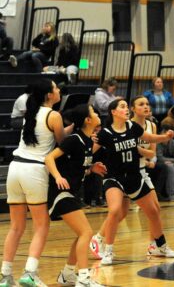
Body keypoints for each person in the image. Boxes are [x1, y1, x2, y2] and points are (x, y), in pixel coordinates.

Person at [89, 99, 174, 265]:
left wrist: (165, 137)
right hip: (114, 177)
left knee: (153, 211)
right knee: (115, 210)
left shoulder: (132, 127)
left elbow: (149, 137)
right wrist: (91, 166)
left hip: (134, 176)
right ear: (113, 112)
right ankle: (108, 251)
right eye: (122, 107)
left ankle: (161, 245)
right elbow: (88, 151)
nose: (125, 109)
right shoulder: (105, 134)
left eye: (125, 105)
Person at [0, 79, 71, 287]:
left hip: (15, 168)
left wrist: (69, 126)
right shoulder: (54, 115)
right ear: (49, 95)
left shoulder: (30, 114)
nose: (58, 90)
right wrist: (72, 128)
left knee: (16, 227)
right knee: (41, 225)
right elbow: (61, 141)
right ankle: (30, 272)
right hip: (34, 170)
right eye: (56, 88)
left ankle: (5, 275)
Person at [45, 104, 106, 287]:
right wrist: (57, 176)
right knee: (86, 232)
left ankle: (67, 275)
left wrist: (91, 169)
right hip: (60, 193)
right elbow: (49, 158)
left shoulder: (87, 141)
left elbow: (78, 168)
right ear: (88, 120)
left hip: (72, 193)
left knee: (82, 234)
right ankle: (84, 279)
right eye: (93, 112)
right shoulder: (73, 139)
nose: (96, 114)